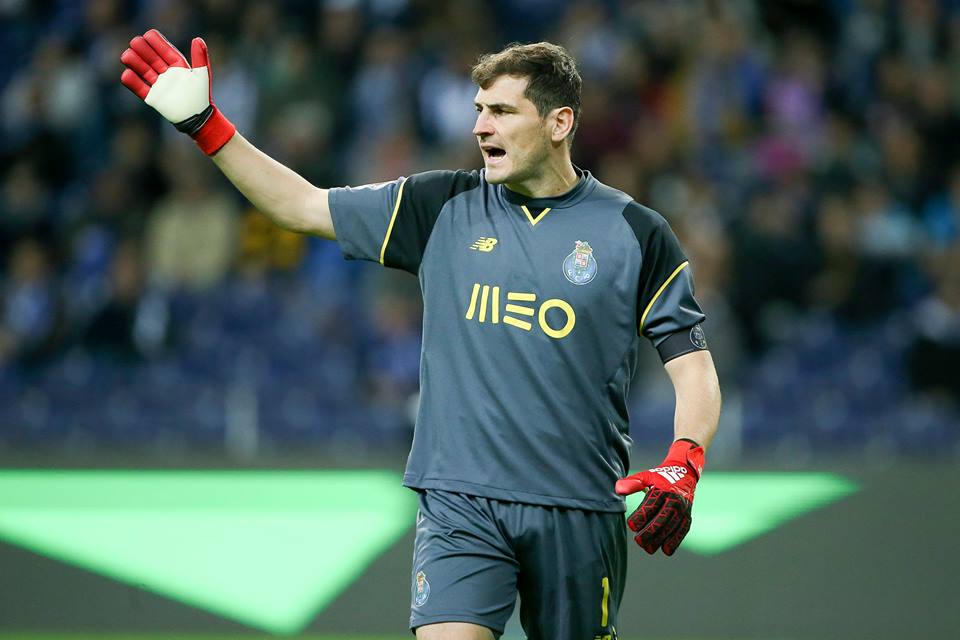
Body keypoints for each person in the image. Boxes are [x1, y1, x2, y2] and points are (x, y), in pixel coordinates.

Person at [120, 29, 722, 640]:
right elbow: (300, 206)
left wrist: (685, 459)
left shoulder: (634, 232)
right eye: (479, 111)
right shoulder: (440, 206)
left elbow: (692, 363)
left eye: (502, 112)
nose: (481, 127)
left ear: (559, 122)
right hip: (460, 499)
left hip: (578, 504)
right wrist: (207, 126)